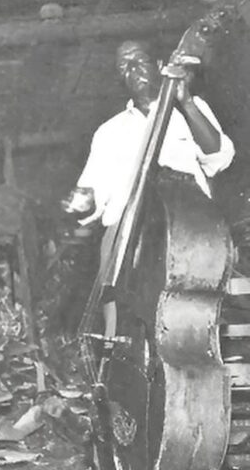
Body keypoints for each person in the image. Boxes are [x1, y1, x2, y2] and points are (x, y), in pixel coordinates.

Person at [62, 40, 235, 338]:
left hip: (186, 235)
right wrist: (83, 202)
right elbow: (93, 194)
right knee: (118, 322)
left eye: (138, 61)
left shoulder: (189, 110)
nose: (132, 70)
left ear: (158, 66)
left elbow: (218, 157)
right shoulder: (108, 132)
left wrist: (186, 103)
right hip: (124, 236)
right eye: (123, 67)